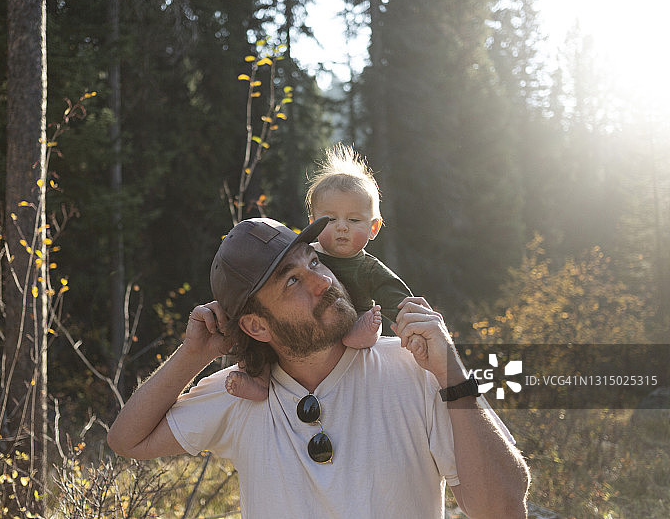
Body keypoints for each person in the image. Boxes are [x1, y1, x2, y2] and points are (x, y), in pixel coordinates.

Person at [107, 217, 531, 518]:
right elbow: (128, 439)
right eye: (292, 281)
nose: (322, 281)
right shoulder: (241, 393)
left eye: (314, 262)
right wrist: (193, 356)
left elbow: (504, 511)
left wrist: (453, 375)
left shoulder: (415, 369)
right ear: (256, 325)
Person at [225, 144, 424, 402]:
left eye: (353, 220)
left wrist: (414, 329)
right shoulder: (303, 254)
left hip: (357, 317)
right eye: (330, 219)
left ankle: (360, 332)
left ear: (373, 228)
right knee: (265, 338)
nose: (342, 228)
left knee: (370, 324)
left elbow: (395, 296)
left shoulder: (368, 268)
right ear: (313, 222)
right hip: (308, 330)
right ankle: (259, 381)